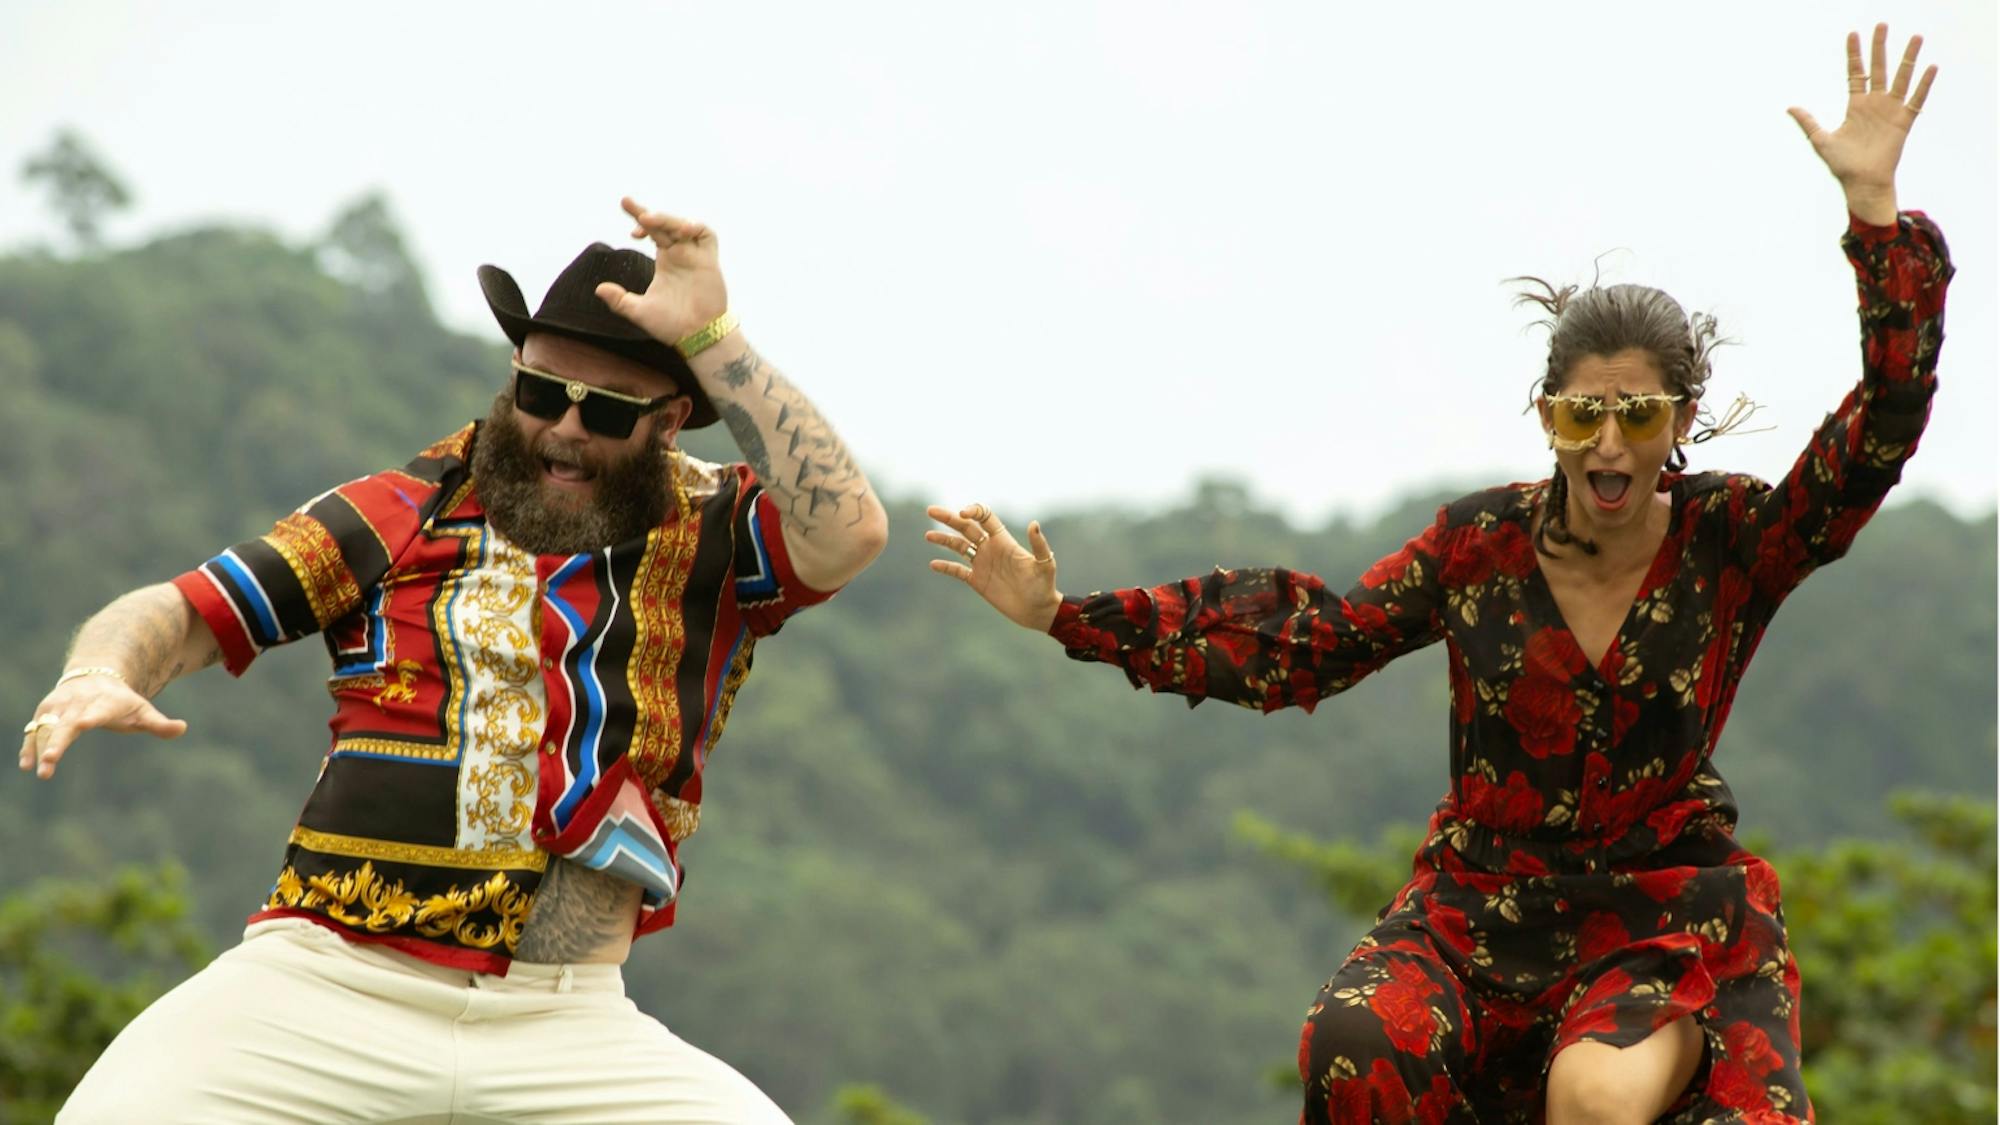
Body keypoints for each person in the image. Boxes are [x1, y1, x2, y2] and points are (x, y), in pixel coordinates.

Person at [926, 25, 1948, 1125]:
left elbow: (1878, 433)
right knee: (1353, 1047)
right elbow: (1305, 641)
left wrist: (1873, 217)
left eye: (1637, 416)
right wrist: (1065, 619)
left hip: (1657, 917)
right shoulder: (1477, 549)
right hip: (1478, 912)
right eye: (1580, 415)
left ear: (1680, 422)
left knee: (1595, 1102)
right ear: (1545, 417)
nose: (1607, 447)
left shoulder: (1733, 537)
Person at [20, 197, 887, 1123]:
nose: (564, 429)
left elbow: (849, 531)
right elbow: (186, 610)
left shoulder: (717, 528)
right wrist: (100, 671)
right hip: (325, 987)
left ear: (670, 421)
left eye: (605, 411)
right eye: (543, 393)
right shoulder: (402, 510)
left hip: (568, 1023)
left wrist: (716, 338)